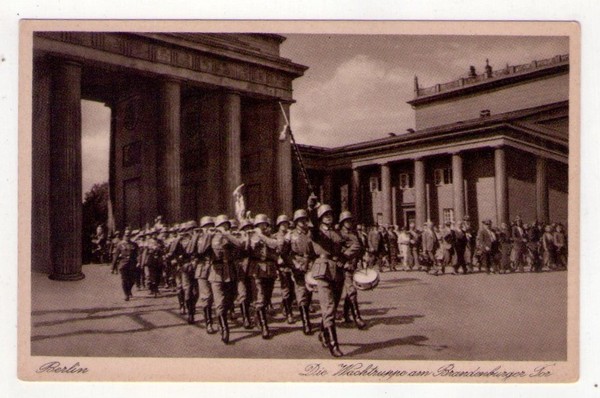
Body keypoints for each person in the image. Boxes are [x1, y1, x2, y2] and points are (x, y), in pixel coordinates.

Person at [307, 196, 345, 357]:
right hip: (322, 270)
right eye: (325, 215)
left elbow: (342, 248)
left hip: (337, 272)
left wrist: (345, 259)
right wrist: (311, 208)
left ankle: (323, 332)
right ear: (320, 217)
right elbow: (313, 227)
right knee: (328, 307)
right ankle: (333, 344)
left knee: (334, 307)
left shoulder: (337, 232)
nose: (328, 216)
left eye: (330, 214)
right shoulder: (316, 232)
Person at [208, 214, 245, 344]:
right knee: (220, 303)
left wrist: (226, 234)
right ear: (217, 226)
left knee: (230, 300)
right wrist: (208, 235)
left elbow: (240, 244)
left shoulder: (230, 238)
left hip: (230, 272)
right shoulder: (210, 237)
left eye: (226, 225)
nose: (224, 227)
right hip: (216, 273)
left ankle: (223, 319)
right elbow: (201, 250)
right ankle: (224, 329)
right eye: (222, 225)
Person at [282, 209, 316, 335]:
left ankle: (306, 314)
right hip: (297, 265)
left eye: (305, 219)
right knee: (301, 293)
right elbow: (284, 254)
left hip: (310, 265)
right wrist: (294, 264)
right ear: (296, 221)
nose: (303, 221)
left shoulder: (311, 234)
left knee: (309, 292)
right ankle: (306, 322)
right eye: (300, 219)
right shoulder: (290, 235)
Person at [248, 214, 281, 339]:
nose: (262, 226)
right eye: (259, 225)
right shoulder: (251, 236)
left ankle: (257, 317)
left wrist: (262, 236)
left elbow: (274, 244)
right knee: (260, 298)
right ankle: (264, 327)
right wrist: (254, 237)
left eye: (264, 224)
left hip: (270, 269)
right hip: (257, 268)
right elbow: (249, 246)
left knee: (267, 298)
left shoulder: (270, 236)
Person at [338, 211, 367, 329]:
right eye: (346, 221)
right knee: (352, 291)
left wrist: (361, 258)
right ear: (342, 222)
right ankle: (357, 317)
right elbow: (338, 249)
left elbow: (360, 248)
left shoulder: (354, 233)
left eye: (350, 220)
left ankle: (345, 314)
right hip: (345, 265)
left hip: (353, 264)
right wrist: (346, 256)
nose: (349, 223)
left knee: (349, 291)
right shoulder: (339, 234)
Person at [193, 216, 217, 334]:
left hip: (216, 269)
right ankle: (209, 323)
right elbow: (201, 250)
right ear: (202, 228)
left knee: (218, 297)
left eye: (211, 226)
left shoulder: (217, 236)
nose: (209, 228)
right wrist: (208, 236)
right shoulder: (200, 238)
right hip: (203, 269)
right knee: (206, 297)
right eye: (206, 226)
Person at [232, 218, 254, 329]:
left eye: (250, 228)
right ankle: (246, 318)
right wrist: (245, 240)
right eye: (245, 228)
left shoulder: (255, 238)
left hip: (253, 269)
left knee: (252, 294)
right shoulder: (237, 239)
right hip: (240, 269)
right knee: (243, 293)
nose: (248, 230)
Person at [274, 214, 296, 324]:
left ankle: (285, 305)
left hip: (292, 264)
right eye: (282, 223)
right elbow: (276, 251)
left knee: (292, 290)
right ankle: (289, 314)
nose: (284, 225)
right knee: (286, 289)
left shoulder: (292, 234)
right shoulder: (275, 236)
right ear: (278, 225)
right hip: (282, 266)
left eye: (286, 223)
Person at [113, 229, 138, 301]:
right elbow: (116, 256)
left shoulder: (134, 244)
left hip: (132, 264)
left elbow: (138, 254)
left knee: (132, 280)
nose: (128, 237)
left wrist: (138, 262)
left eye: (129, 235)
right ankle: (126, 295)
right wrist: (113, 267)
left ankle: (129, 290)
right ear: (124, 235)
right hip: (123, 264)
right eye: (126, 235)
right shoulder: (120, 244)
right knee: (124, 280)